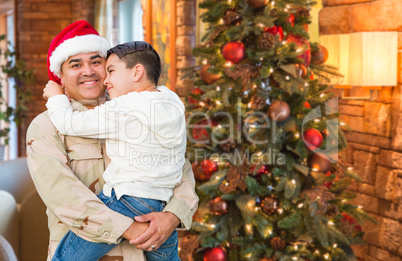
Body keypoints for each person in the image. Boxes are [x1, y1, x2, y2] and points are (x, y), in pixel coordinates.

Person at [26, 20, 198, 261]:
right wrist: (133, 229)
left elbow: (178, 166)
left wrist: (172, 216)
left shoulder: (141, 109)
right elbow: (62, 194)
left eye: (96, 62)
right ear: (60, 77)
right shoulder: (45, 127)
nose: (88, 71)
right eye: (76, 64)